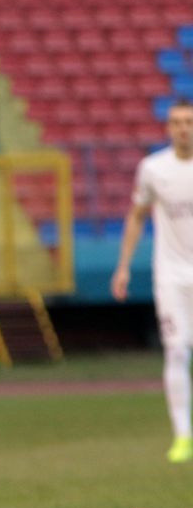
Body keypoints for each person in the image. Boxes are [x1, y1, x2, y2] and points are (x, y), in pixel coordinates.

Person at [112, 100, 193, 463]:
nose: (183, 129)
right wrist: (123, 266)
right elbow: (137, 215)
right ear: (167, 128)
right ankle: (183, 436)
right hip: (171, 275)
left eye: (189, 122)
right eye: (176, 122)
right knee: (176, 350)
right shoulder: (153, 169)